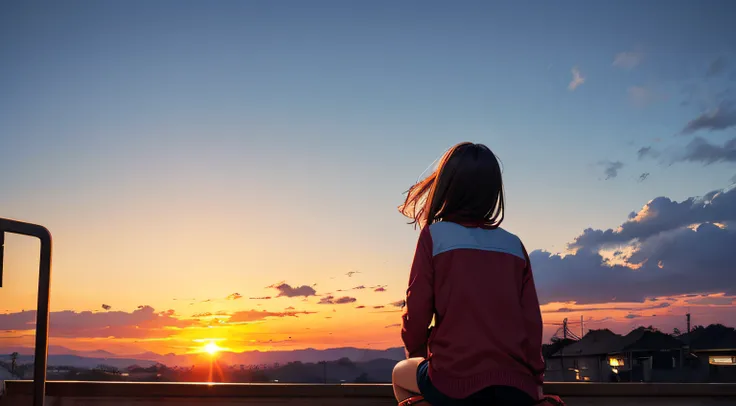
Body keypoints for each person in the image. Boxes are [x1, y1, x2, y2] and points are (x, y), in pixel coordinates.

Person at [392, 142, 544, 406]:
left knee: (399, 373)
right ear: (493, 192)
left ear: (447, 186)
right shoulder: (514, 245)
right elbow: (531, 324)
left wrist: (416, 354)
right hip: (516, 387)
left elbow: (416, 314)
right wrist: (536, 382)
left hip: (452, 383)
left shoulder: (435, 237)